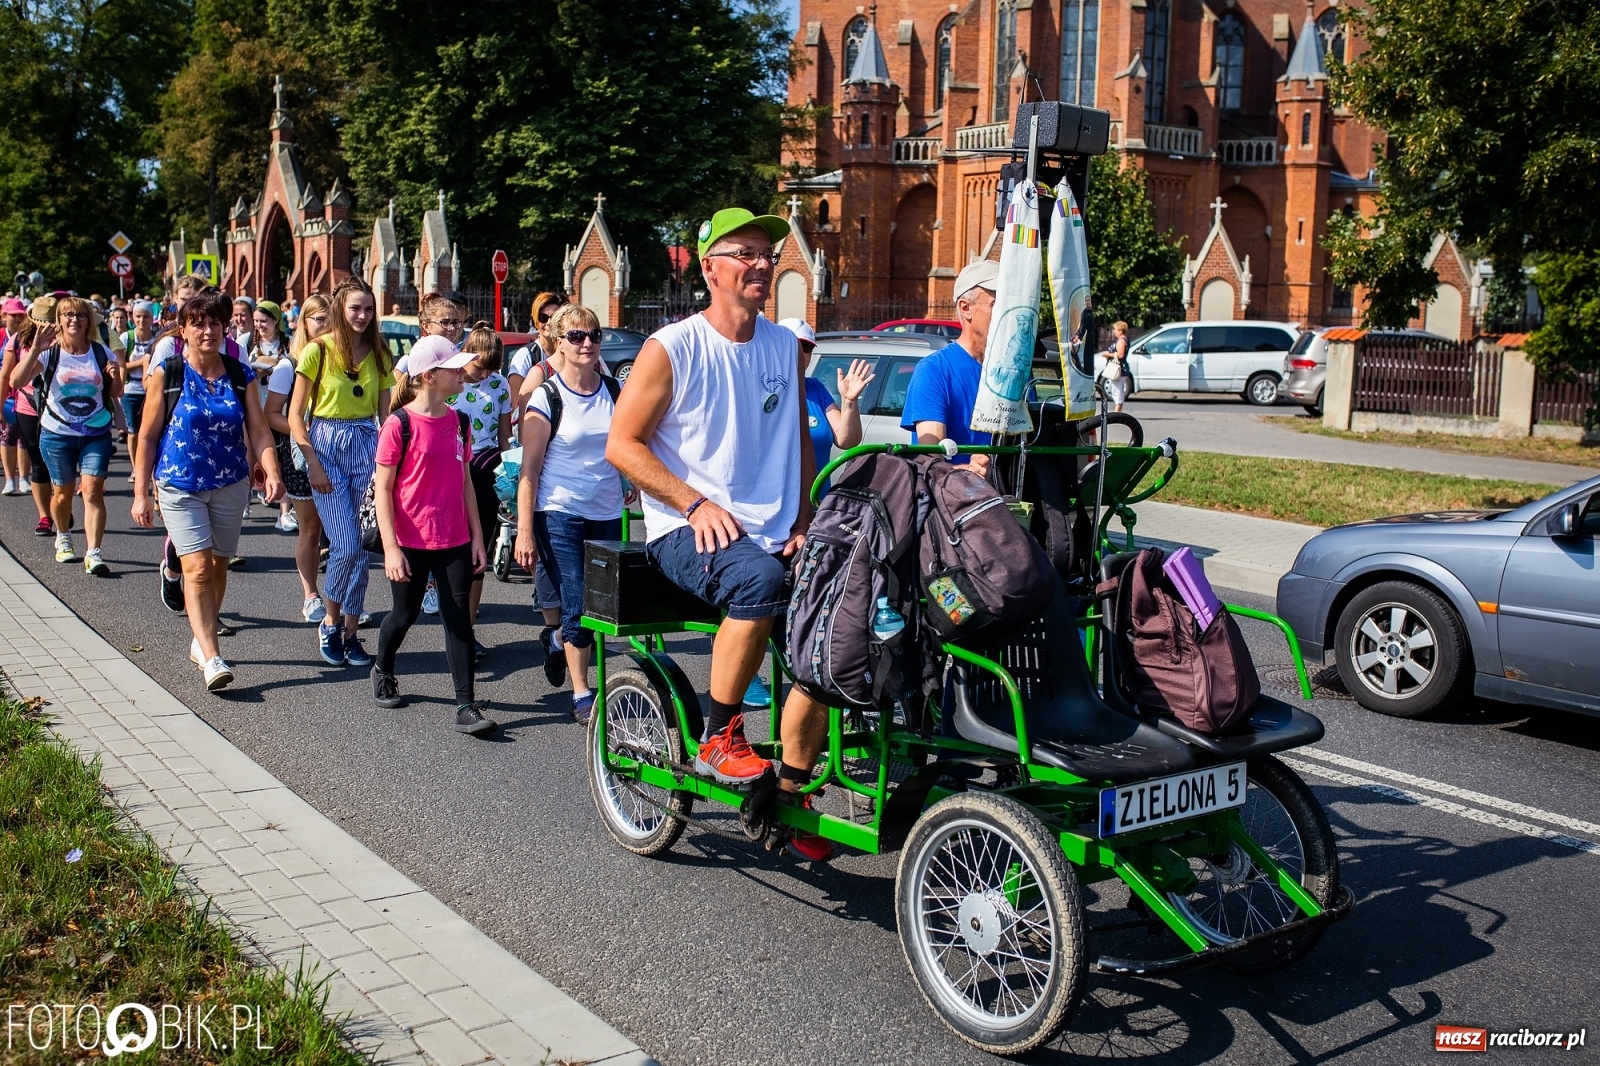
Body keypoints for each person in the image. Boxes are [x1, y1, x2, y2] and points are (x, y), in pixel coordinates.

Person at [607, 206, 832, 862]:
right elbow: (622, 444)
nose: (760, 263)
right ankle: (717, 736)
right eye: (744, 253)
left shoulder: (783, 348)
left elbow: (796, 441)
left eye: (766, 253)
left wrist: (806, 516)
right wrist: (692, 500)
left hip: (769, 528)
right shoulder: (673, 347)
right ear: (709, 268)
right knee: (759, 582)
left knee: (834, 618)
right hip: (685, 528)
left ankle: (792, 791)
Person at [132, 289, 282, 691]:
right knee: (196, 567)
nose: (208, 329)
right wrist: (141, 493)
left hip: (230, 483)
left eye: (215, 322)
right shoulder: (169, 372)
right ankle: (212, 654)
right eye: (197, 322)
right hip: (180, 483)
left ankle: (202, 638)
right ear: (182, 330)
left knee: (217, 565)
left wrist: (271, 471)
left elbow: (259, 429)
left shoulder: (239, 373)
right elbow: (147, 437)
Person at [738, 317, 875, 709]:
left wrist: (849, 401)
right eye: (795, 345)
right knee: (757, 591)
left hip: (815, 514)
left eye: (808, 348)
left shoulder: (815, 390)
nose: (801, 354)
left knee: (809, 593)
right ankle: (744, 674)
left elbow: (847, 438)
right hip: (766, 511)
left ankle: (804, 669)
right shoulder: (762, 385)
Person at [370, 335, 496, 735]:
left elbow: (465, 485)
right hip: (409, 541)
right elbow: (383, 490)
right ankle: (382, 668)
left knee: (458, 618)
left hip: (454, 538)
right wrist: (391, 548)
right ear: (428, 377)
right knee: (404, 614)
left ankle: (465, 705)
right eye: (453, 367)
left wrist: (478, 537)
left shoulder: (459, 422)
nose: (462, 372)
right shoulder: (399, 424)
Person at [514, 303, 625, 721]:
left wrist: (628, 480)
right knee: (577, 598)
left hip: (606, 509)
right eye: (576, 336)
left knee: (602, 604)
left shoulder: (614, 391)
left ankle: (559, 639)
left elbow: (629, 444)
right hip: (558, 512)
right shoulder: (547, 395)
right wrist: (525, 532)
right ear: (559, 342)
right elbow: (530, 470)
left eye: (594, 335)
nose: (587, 343)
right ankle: (582, 692)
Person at [288, 278, 391, 669]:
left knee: (363, 549)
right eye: (355, 309)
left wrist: (389, 463)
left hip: (367, 444)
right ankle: (330, 623)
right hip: (326, 446)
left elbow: (385, 416)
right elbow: (296, 415)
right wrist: (312, 461)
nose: (362, 316)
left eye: (368, 309)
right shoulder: (317, 350)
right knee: (346, 545)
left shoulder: (379, 352)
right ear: (339, 310)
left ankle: (351, 633)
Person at [10, 296, 122, 574]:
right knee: (62, 493)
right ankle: (63, 536)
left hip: (96, 431)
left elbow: (115, 393)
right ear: (59, 321)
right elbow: (15, 381)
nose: (74, 320)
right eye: (68, 315)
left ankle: (94, 552)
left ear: (88, 322)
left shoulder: (101, 353)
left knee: (93, 491)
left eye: (80, 315)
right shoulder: (49, 352)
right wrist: (35, 349)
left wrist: (116, 376)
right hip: (57, 432)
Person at [900, 260, 999, 477]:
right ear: (966, 308)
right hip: (957, 504)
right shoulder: (934, 370)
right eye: (996, 304)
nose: (1007, 314)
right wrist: (968, 470)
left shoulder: (1017, 371)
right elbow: (930, 462)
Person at [266, 293, 331, 622]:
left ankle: (341, 598)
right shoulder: (287, 365)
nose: (326, 324)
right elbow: (270, 413)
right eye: (319, 318)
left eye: (330, 318)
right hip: (301, 454)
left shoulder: (340, 360)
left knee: (341, 532)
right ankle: (311, 595)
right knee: (311, 529)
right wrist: (300, 426)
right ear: (303, 322)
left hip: (337, 452)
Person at [450, 324, 513, 644]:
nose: (486, 374)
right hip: (449, 471)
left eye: (492, 368)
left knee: (478, 554)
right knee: (450, 551)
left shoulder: (500, 385)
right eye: (480, 367)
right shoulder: (451, 380)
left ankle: (467, 629)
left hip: (486, 468)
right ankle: (452, 617)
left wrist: (510, 480)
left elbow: (504, 437)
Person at [1, 307, 53, 530]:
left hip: (59, 410)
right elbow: (7, 376)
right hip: (27, 406)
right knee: (39, 462)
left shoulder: (68, 339)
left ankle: (60, 504)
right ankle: (45, 516)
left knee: (60, 464)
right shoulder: (18, 340)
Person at [116, 301, 160, 482]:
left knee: (151, 431)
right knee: (133, 431)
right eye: (138, 316)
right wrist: (141, 362)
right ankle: (136, 468)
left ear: (152, 319)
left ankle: (151, 468)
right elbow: (121, 364)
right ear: (133, 318)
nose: (142, 320)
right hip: (131, 390)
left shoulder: (157, 339)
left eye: (146, 316)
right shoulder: (127, 337)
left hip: (152, 390)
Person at [506, 291, 564, 408]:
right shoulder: (525, 356)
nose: (549, 322)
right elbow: (517, 406)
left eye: (554, 317)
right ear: (536, 321)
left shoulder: (571, 352)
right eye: (543, 317)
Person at [0, 296, 31, 496]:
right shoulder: (1, 336)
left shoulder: (27, 336)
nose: (18, 319)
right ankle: (10, 479)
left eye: (21, 315)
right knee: (7, 436)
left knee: (24, 438)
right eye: (13, 316)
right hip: (5, 393)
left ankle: (24, 478)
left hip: (23, 393)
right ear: (4, 316)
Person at [1100, 320, 1132, 412]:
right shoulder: (1123, 339)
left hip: (1119, 369)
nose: (1114, 331)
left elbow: (1120, 355)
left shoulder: (1122, 341)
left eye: (1115, 329)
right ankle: (1117, 410)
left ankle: (1117, 411)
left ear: (1120, 330)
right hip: (1121, 368)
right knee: (1117, 389)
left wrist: (1107, 354)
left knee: (1117, 390)